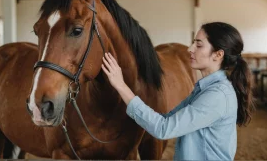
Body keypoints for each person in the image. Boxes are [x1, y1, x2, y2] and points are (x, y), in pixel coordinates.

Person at [101, 22, 255, 160]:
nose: (190, 49)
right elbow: (167, 118)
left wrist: (121, 86)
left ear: (218, 54)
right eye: (193, 43)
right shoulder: (204, 89)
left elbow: (164, 128)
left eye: (199, 45)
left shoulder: (217, 96)